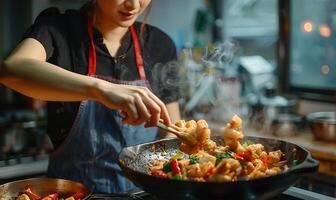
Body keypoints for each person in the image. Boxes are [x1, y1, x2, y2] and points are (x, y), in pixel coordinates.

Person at [0, 0, 180, 193]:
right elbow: (11, 69)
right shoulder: (59, 29)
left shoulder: (159, 44)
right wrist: (100, 89)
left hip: (142, 194)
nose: (133, 4)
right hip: (72, 193)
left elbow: (172, 130)